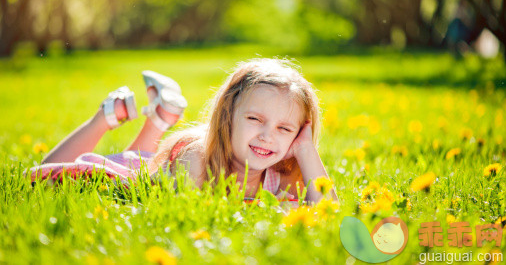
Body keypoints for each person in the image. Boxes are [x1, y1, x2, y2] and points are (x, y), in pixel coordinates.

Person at [35, 58, 336, 203]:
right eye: (255, 120)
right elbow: (192, 215)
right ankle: (104, 118)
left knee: (140, 156)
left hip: (149, 163)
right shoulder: (196, 160)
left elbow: (327, 213)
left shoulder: (278, 176)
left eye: (285, 128)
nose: (267, 136)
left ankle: (158, 119)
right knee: (43, 174)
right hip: (133, 181)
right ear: (228, 116)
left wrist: (306, 150)